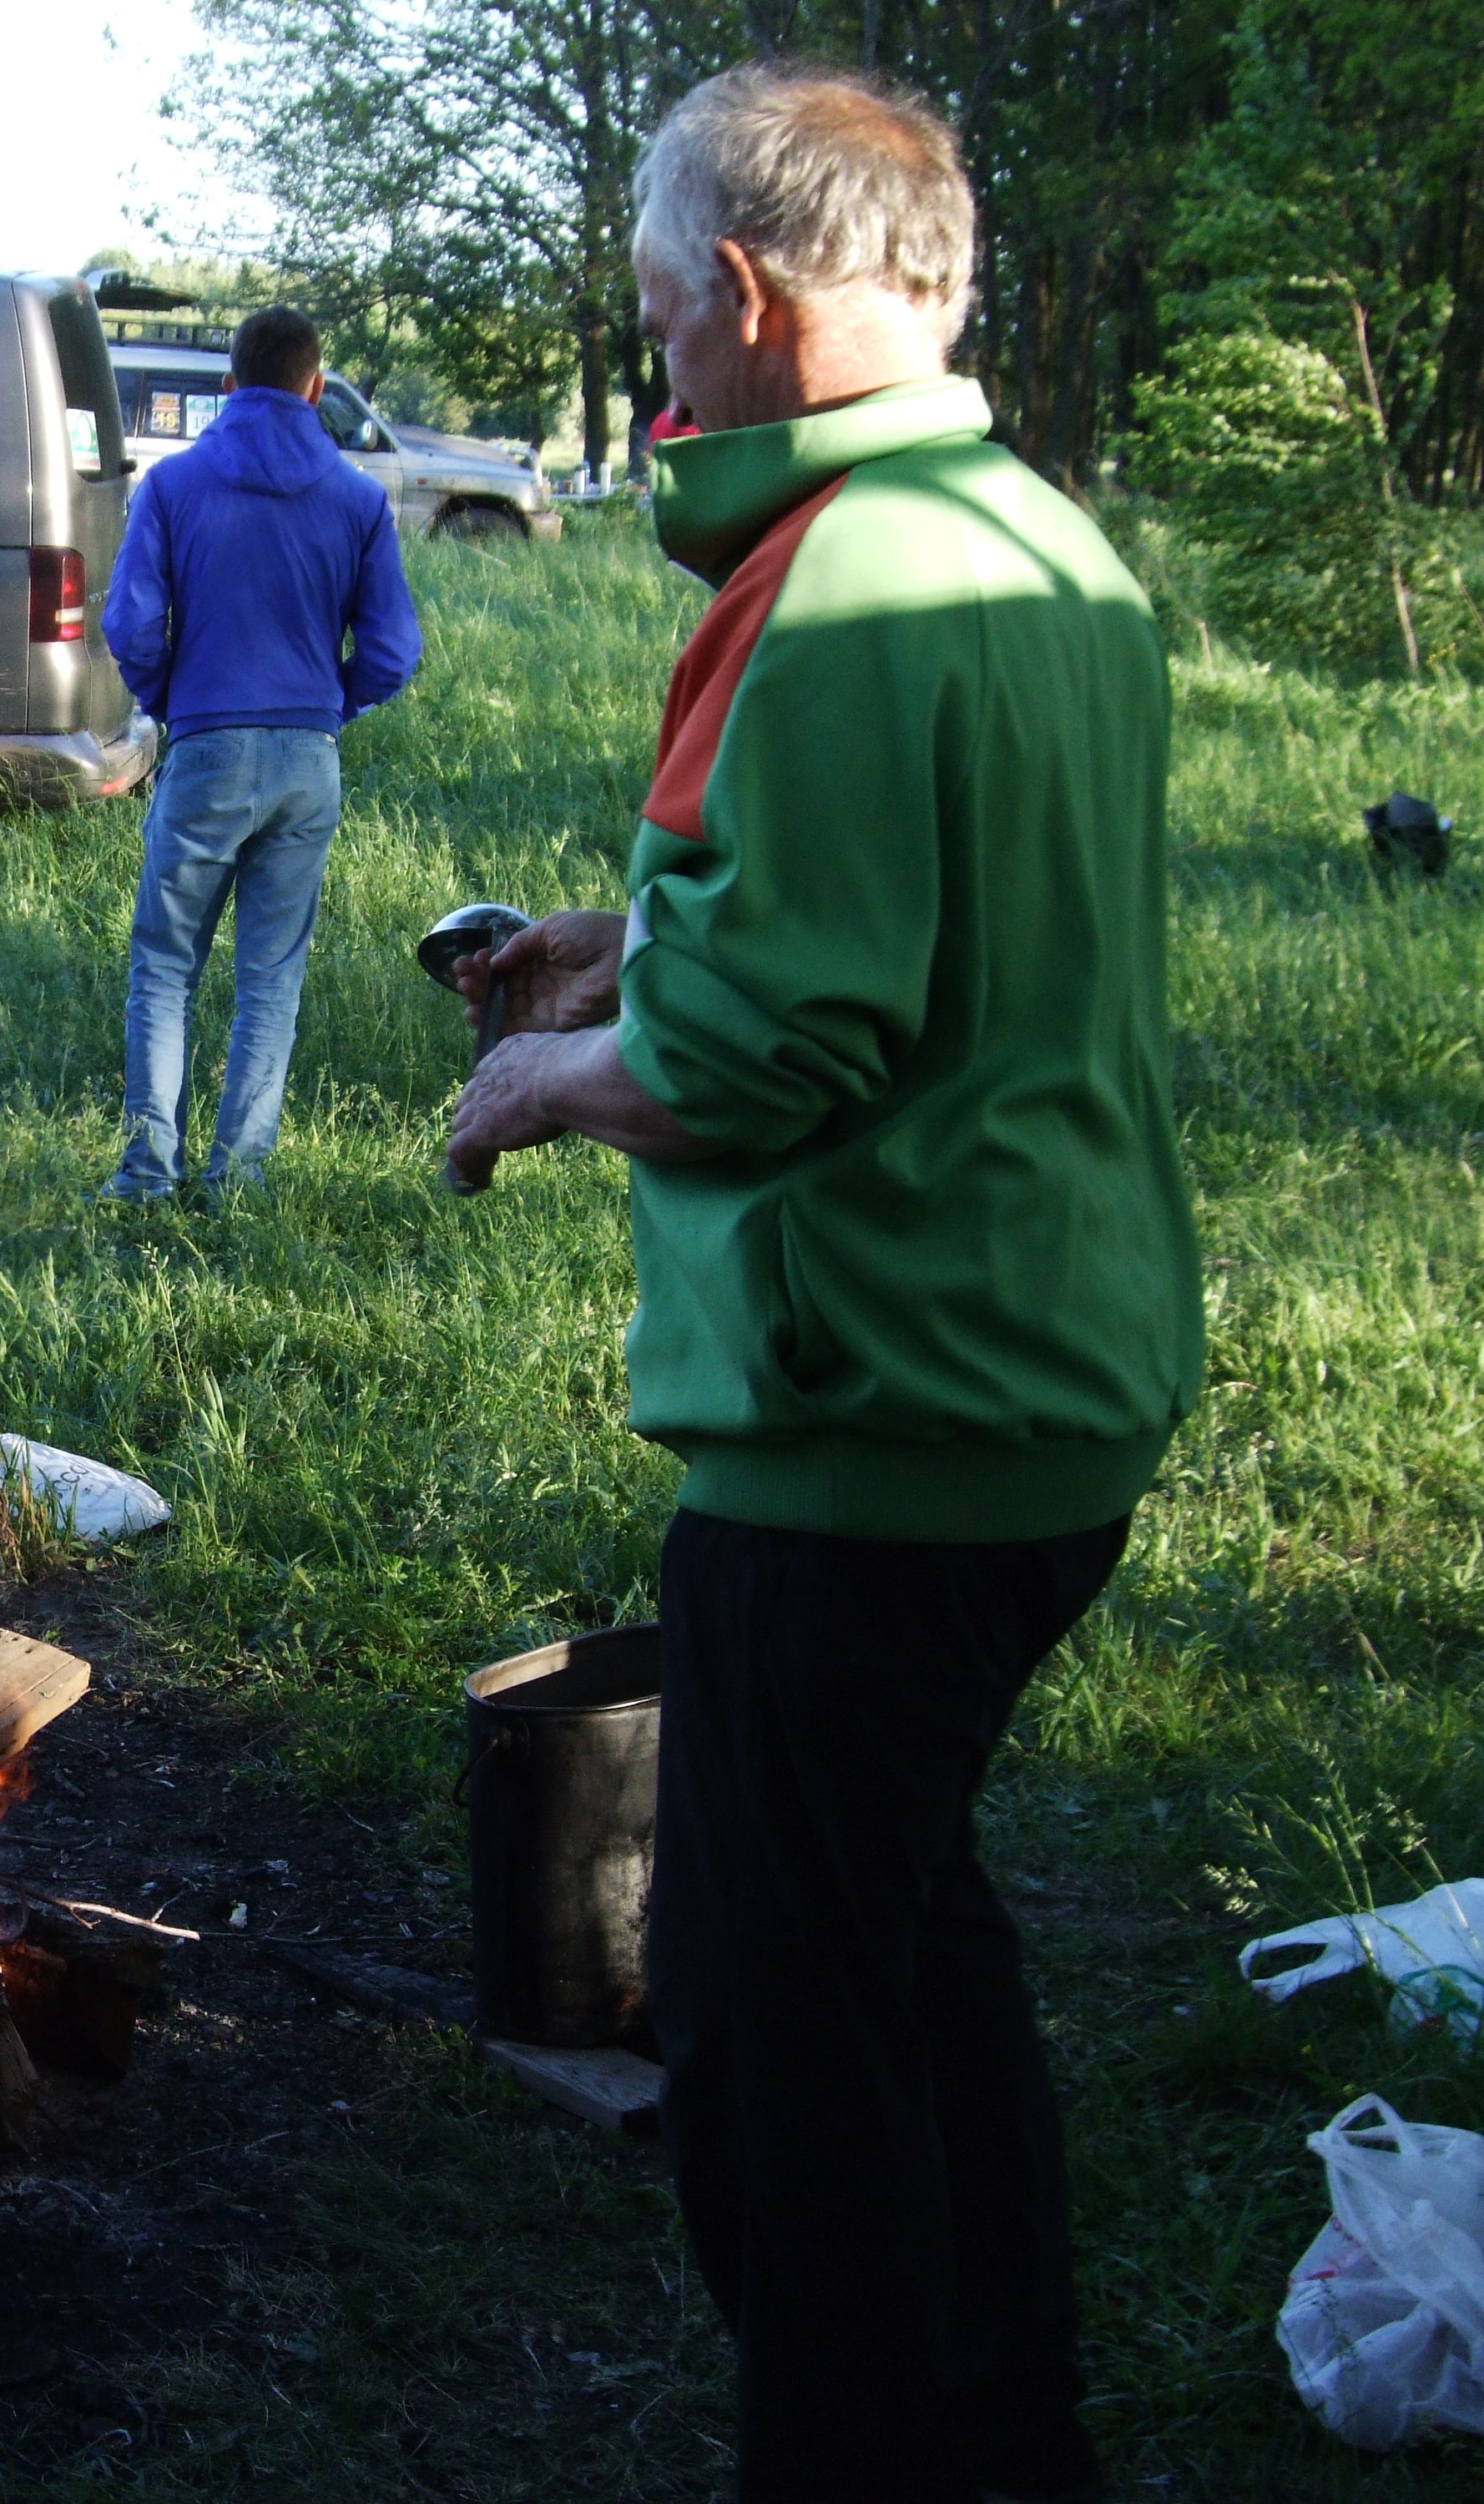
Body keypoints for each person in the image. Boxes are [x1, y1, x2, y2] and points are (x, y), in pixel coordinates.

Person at [444, 65, 1202, 2504]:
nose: (652, 344)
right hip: (1037, 1380)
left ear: (746, 293)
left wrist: (540, 1077)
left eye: (656, 301)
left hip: (875, 1420)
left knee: (772, 2042)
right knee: (909, 1934)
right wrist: (625, 947)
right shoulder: (1033, 540)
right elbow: (917, 930)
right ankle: (1007, 2433)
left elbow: (774, 1052)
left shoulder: (842, 579)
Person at [97, 305, 419, 1200]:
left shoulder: (172, 485)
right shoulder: (359, 499)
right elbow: (392, 652)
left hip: (206, 745)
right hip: (307, 756)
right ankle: (237, 1180)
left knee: (166, 968)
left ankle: (147, 1173)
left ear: (228, 386)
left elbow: (129, 624)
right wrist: (329, 706)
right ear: (315, 389)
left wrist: (172, 699)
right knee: (270, 980)